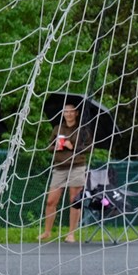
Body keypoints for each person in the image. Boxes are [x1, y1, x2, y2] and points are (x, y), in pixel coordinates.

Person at [38, 103, 92, 242]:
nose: (68, 114)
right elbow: (49, 147)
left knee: (74, 200)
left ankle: (71, 234)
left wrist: (72, 146)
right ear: (63, 113)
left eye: (71, 111)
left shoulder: (83, 129)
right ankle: (47, 232)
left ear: (76, 113)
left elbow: (89, 148)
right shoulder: (58, 128)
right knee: (51, 201)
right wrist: (56, 146)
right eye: (66, 112)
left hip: (77, 166)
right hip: (59, 167)